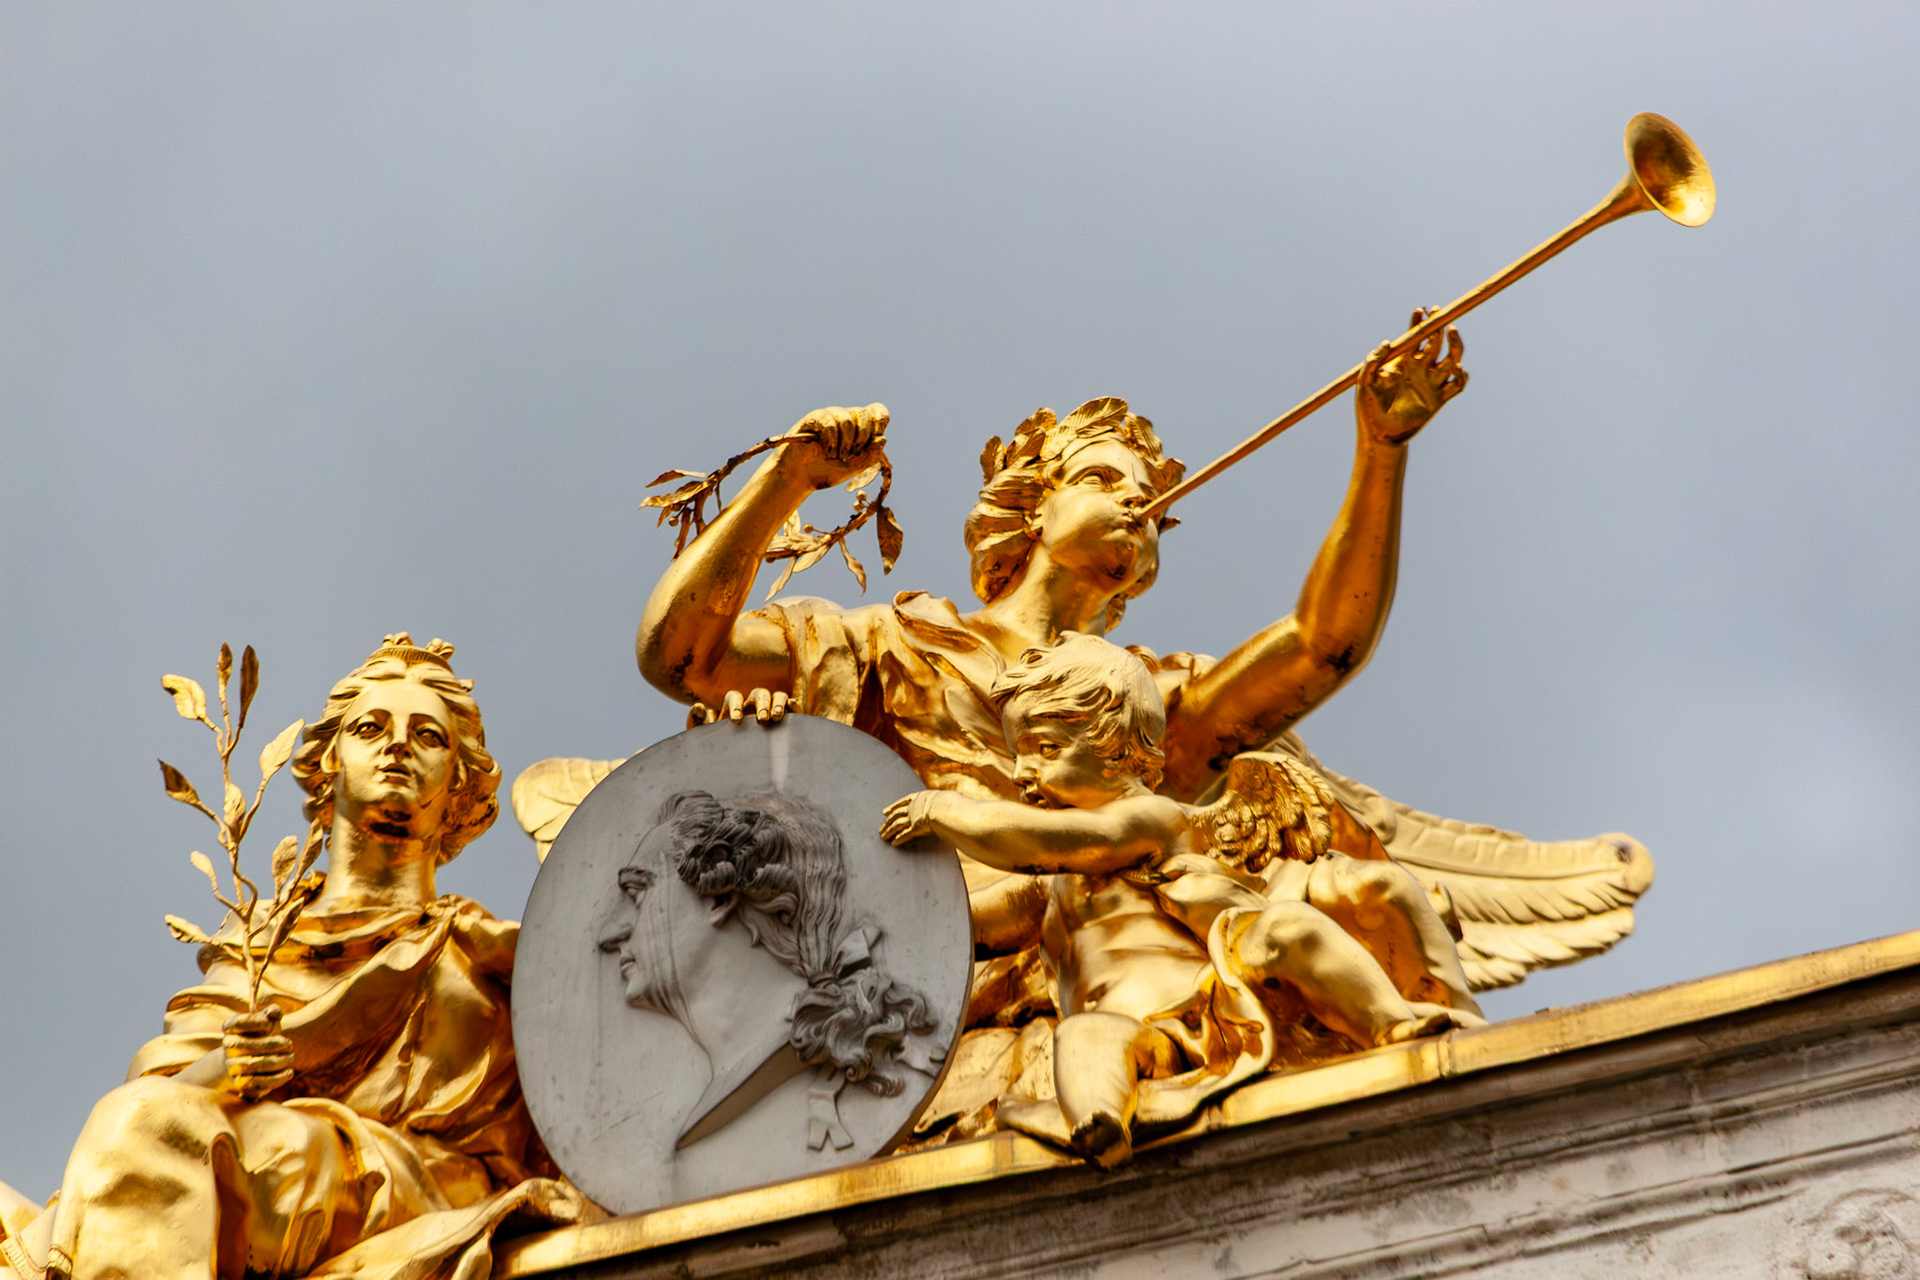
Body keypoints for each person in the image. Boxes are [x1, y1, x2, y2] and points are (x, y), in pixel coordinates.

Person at [0, 635, 584, 1280]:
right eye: (371, 728)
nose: (398, 746)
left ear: (461, 788)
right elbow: (158, 1094)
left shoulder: (492, 958)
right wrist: (234, 1066)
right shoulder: (260, 942)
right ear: (330, 762)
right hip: (255, 1159)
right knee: (137, 1132)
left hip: (413, 1186)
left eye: (429, 737)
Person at [880, 632, 1478, 1165]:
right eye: (1018, 754)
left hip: (1210, 1008)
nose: (1021, 773)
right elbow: (962, 926)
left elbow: (1050, 842)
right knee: (1081, 1040)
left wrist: (944, 809)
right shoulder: (1049, 886)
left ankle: (1391, 1025)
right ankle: (1099, 1124)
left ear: (1118, 751)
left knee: (1289, 931)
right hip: (1138, 1035)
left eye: (1044, 749)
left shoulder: (1147, 819)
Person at [596, 790, 942, 1153]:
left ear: (718, 899)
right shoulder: (714, 1092)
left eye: (638, 894)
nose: (610, 933)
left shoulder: (775, 1058)